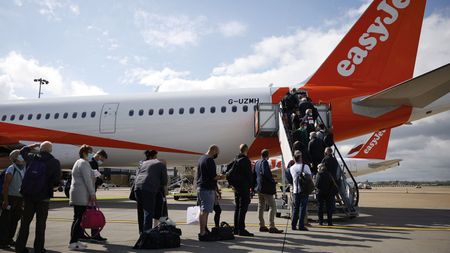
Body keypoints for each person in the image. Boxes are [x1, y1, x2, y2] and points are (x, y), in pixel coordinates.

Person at [15, 142, 61, 253]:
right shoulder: (54, 162)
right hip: (43, 197)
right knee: (40, 225)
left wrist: (32, 146)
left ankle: (20, 247)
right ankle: (38, 249)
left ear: (40, 149)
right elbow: (56, 181)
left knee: (25, 223)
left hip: (28, 196)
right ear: (50, 150)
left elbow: (22, 151)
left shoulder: (31, 157)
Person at [68, 145, 97, 250]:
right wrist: (92, 193)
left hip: (78, 193)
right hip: (81, 194)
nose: (92, 154)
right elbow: (87, 180)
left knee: (77, 218)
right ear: (84, 153)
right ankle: (73, 242)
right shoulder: (84, 163)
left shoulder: (79, 162)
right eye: (90, 152)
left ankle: (75, 240)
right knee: (79, 218)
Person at [134, 150, 168, 234]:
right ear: (155, 156)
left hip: (137, 188)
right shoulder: (160, 165)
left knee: (140, 211)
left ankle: (141, 232)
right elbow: (164, 181)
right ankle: (147, 234)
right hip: (149, 189)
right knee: (149, 212)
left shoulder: (143, 164)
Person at [196, 145, 224, 241]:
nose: (217, 155)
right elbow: (213, 176)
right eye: (217, 153)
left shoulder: (201, 159)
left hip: (201, 187)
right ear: (213, 150)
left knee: (203, 211)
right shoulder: (209, 160)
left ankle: (204, 230)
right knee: (205, 211)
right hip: (207, 189)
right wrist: (222, 176)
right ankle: (203, 233)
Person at [0, 150, 25, 249]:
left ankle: (9, 238)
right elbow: (5, 186)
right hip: (10, 197)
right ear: (14, 158)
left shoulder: (24, 168)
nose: (22, 157)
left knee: (15, 220)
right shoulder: (11, 169)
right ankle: (2, 241)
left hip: (19, 198)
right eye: (19, 155)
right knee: (5, 220)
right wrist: (5, 200)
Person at [254, 149, 283, 234]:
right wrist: (273, 181)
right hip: (266, 188)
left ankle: (262, 225)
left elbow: (257, 173)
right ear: (268, 155)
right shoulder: (265, 162)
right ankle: (272, 226)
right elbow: (265, 173)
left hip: (259, 187)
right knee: (272, 206)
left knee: (261, 205)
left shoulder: (258, 162)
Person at [232, 144, 254, 236]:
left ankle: (236, 228)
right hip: (244, 187)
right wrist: (252, 187)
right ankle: (241, 229)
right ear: (246, 150)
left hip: (237, 187)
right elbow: (249, 175)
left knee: (237, 208)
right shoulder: (245, 160)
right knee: (243, 208)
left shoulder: (236, 159)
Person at [87, 149, 108, 242]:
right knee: (94, 213)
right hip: (90, 192)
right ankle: (95, 234)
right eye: (102, 159)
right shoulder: (93, 163)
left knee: (84, 214)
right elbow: (94, 178)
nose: (101, 162)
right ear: (99, 155)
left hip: (89, 192)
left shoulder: (91, 162)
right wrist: (100, 180)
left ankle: (80, 234)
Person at [289, 151, 312, 231]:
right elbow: (310, 178)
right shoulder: (305, 166)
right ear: (300, 158)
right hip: (304, 190)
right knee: (303, 208)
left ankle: (293, 225)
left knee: (296, 208)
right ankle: (301, 225)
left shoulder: (291, 168)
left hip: (296, 190)